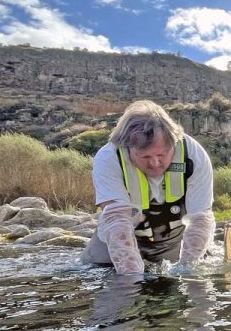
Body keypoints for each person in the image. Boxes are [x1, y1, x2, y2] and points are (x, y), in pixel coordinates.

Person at [81, 100, 215, 274]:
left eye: (162, 154)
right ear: (128, 148)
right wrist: (131, 278)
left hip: (174, 239)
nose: (155, 163)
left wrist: (187, 269)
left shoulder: (195, 155)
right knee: (102, 275)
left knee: (192, 273)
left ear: (173, 144)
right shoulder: (107, 158)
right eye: (144, 156)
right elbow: (117, 222)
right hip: (117, 238)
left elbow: (200, 219)